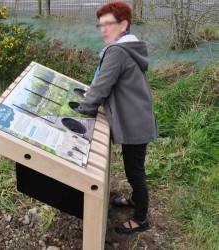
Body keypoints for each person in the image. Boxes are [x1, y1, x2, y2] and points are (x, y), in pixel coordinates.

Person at [75, 1, 159, 235]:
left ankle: (141, 218)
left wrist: (83, 109)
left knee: (135, 171)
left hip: (134, 121)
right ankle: (133, 200)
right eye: (100, 25)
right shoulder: (128, 46)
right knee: (133, 166)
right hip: (137, 116)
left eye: (108, 24)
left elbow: (102, 85)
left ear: (123, 24)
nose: (103, 29)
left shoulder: (118, 52)